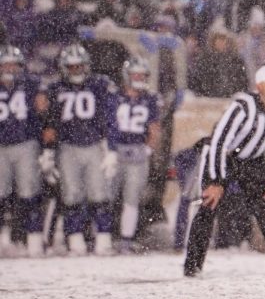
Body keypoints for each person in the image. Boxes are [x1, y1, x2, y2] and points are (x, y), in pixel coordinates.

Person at [183, 65, 265, 276]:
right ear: (259, 86)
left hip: (252, 160)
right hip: (222, 156)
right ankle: (192, 266)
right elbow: (219, 141)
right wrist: (216, 180)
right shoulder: (243, 106)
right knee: (210, 203)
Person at [44, 44, 117, 255]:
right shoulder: (56, 88)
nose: (76, 70)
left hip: (93, 144)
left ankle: (104, 240)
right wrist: (48, 152)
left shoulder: (99, 85)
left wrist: (110, 149)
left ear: (87, 66)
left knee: (99, 194)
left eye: (79, 66)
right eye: (72, 67)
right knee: (71, 195)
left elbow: (109, 118)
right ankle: (75, 242)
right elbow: (50, 123)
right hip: (67, 147)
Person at [107, 56, 161, 254]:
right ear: (126, 76)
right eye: (135, 74)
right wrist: (108, 150)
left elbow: (155, 128)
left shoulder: (151, 99)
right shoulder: (114, 96)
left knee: (132, 198)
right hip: (115, 150)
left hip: (138, 151)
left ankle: (126, 239)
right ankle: (102, 237)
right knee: (106, 196)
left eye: (142, 75)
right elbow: (107, 125)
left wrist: (149, 148)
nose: (139, 78)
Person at [0, 46, 45, 255]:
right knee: (1, 195)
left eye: (13, 64)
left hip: (25, 143)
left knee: (29, 193)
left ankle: (33, 240)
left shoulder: (30, 84)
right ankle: (4, 239)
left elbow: (44, 110)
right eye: (5, 64)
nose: (9, 68)